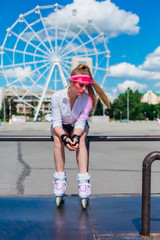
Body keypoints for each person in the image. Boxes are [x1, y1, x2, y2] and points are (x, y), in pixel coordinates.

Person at [51, 64, 110, 201]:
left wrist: (76, 137)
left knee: (82, 141)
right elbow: (57, 123)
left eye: (86, 86)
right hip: (61, 126)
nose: (84, 89)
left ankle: (83, 180)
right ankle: (60, 179)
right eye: (81, 85)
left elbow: (81, 122)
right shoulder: (57, 97)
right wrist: (65, 138)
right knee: (57, 140)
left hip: (78, 125)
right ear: (71, 82)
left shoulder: (87, 99)